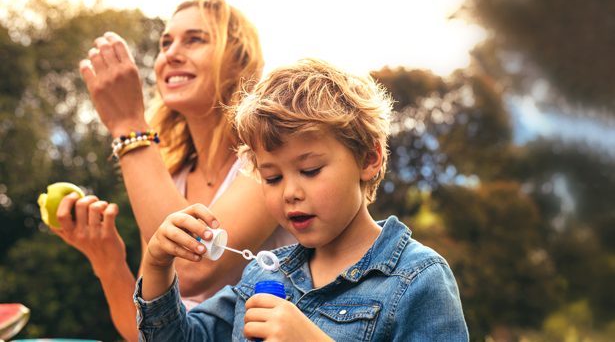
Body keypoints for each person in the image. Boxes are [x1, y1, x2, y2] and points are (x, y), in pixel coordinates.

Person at [134, 58, 469, 341]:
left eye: (309, 170)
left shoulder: (419, 280)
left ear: (369, 159)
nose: (289, 192)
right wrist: (157, 265)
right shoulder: (261, 276)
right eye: (272, 178)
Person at [51, 0, 295, 341]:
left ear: (237, 60)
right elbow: (147, 330)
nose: (171, 54)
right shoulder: (167, 177)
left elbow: (196, 265)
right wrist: (107, 259)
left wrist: (128, 126)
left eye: (195, 39)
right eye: (166, 43)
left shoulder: (267, 159)